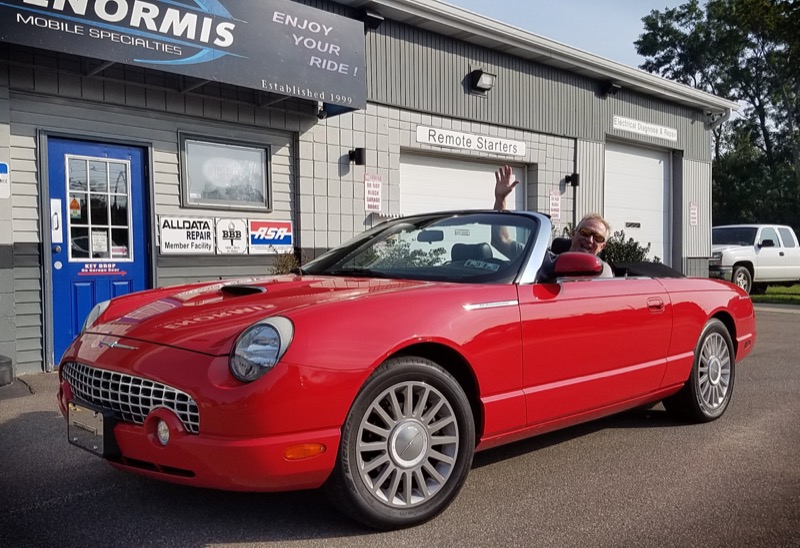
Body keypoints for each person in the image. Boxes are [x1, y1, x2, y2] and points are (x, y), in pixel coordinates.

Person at [491, 165, 614, 278]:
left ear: (602, 246)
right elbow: (500, 241)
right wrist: (500, 199)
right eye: (585, 232)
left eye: (598, 237)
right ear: (573, 233)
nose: (590, 240)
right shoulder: (544, 260)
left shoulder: (603, 273)